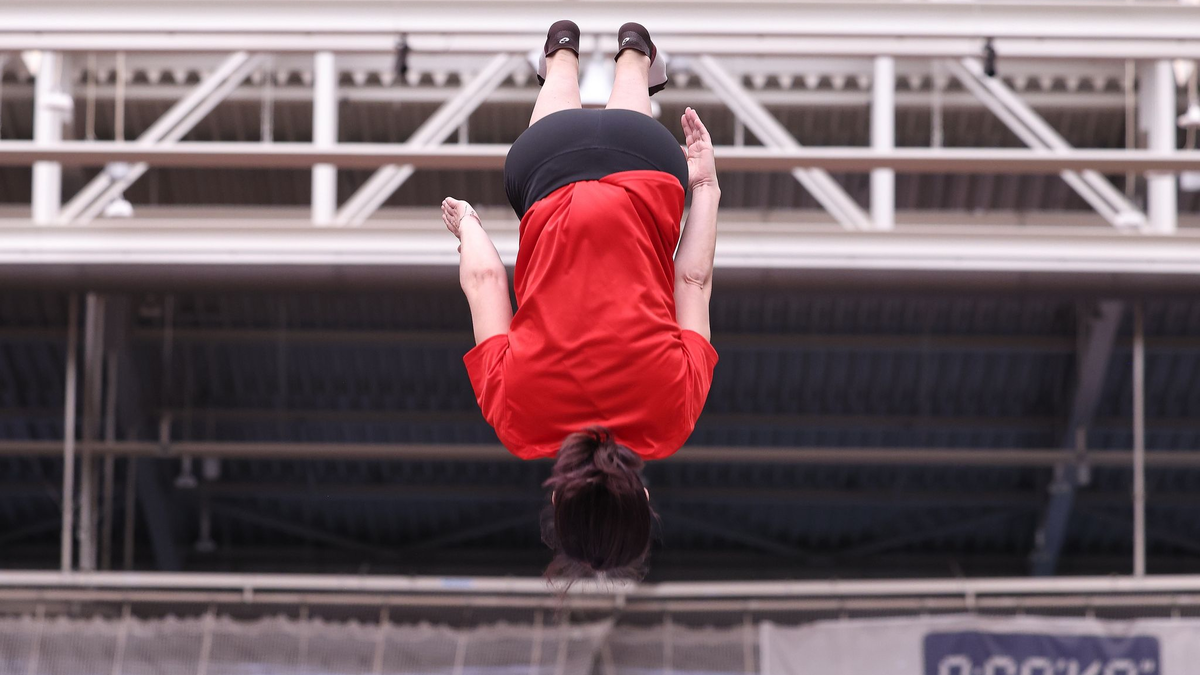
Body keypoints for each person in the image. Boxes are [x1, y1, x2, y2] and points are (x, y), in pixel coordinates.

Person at [441, 20, 719, 580]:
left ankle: (634, 56)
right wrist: (468, 225)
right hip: (548, 165)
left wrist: (706, 188)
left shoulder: (674, 420)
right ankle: (561, 53)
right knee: (553, 145)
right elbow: (486, 284)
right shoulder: (516, 423)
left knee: (630, 141)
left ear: (641, 500)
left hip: (644, 159)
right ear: (554, 501)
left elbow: (691, 282)